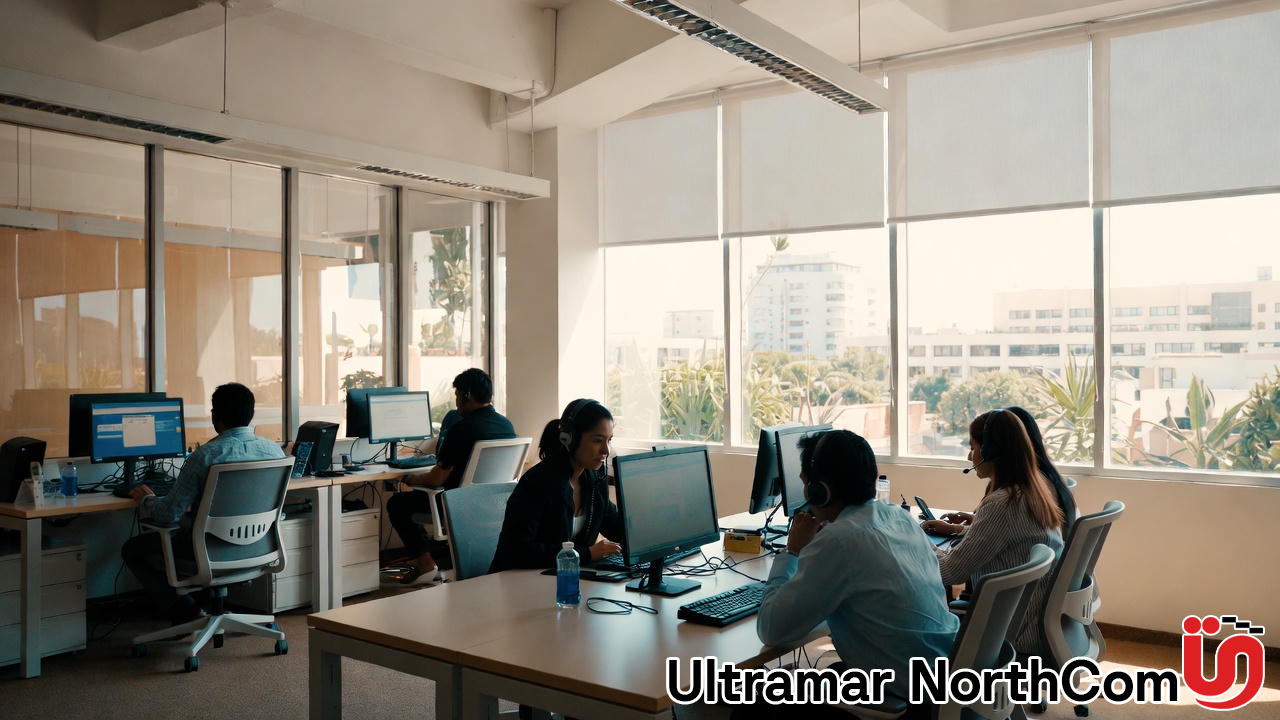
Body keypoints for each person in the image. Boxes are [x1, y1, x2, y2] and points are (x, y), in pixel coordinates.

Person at [735, 430, 959, 720]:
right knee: (826, 673)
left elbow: (772, 630)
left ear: (820, 491)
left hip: (903, 700)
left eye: (806, 484)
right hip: (940, 679)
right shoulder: (899, 517)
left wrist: (792, 552)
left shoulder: (839, 541)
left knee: (750, 695)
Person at [122, 382, 285, 624]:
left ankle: (186, 610)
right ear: (250, 415)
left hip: (207, 552)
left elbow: (168, 515)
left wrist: (146, 499)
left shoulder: (205, 456)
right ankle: (204, 605)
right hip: (256, 548)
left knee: (132, 549)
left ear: (215, 417)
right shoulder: (274, 452)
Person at [922, 408, 1064, 656]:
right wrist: (963, 529)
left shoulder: (1003, 503)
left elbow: (949, 572)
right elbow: (1002, 537)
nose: (970, 455)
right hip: (1028, 621)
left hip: (1008, 634)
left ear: (990, 452)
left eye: (973, 446)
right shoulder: (1032, 489)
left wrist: (914, 538)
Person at [385, 368, 515, 583]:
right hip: (495, 507)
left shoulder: (461, 429)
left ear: (466, 396)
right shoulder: (506, 426)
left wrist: (413, 480)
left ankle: (425, 562)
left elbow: (436, 479)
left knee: (398, 504)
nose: (456, 403)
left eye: (457, 396)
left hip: (459, 506)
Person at [489, 398, 623, 573]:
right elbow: (518, 551)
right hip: (519, 583)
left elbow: (616, 527)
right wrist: (587, 554)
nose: (606, 450)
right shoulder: (538, 483)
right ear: (570, 439)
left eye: (609, 440)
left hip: (564, 581)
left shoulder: (594, 479)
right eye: (598, 440)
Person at [933, 406, 1076, 533]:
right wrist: (970, 524)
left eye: (973, 448)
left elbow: (954, 564)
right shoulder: (1039, 483)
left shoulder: (1010, 497)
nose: (970, 456)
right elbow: (1014, 533)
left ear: (994, 448)